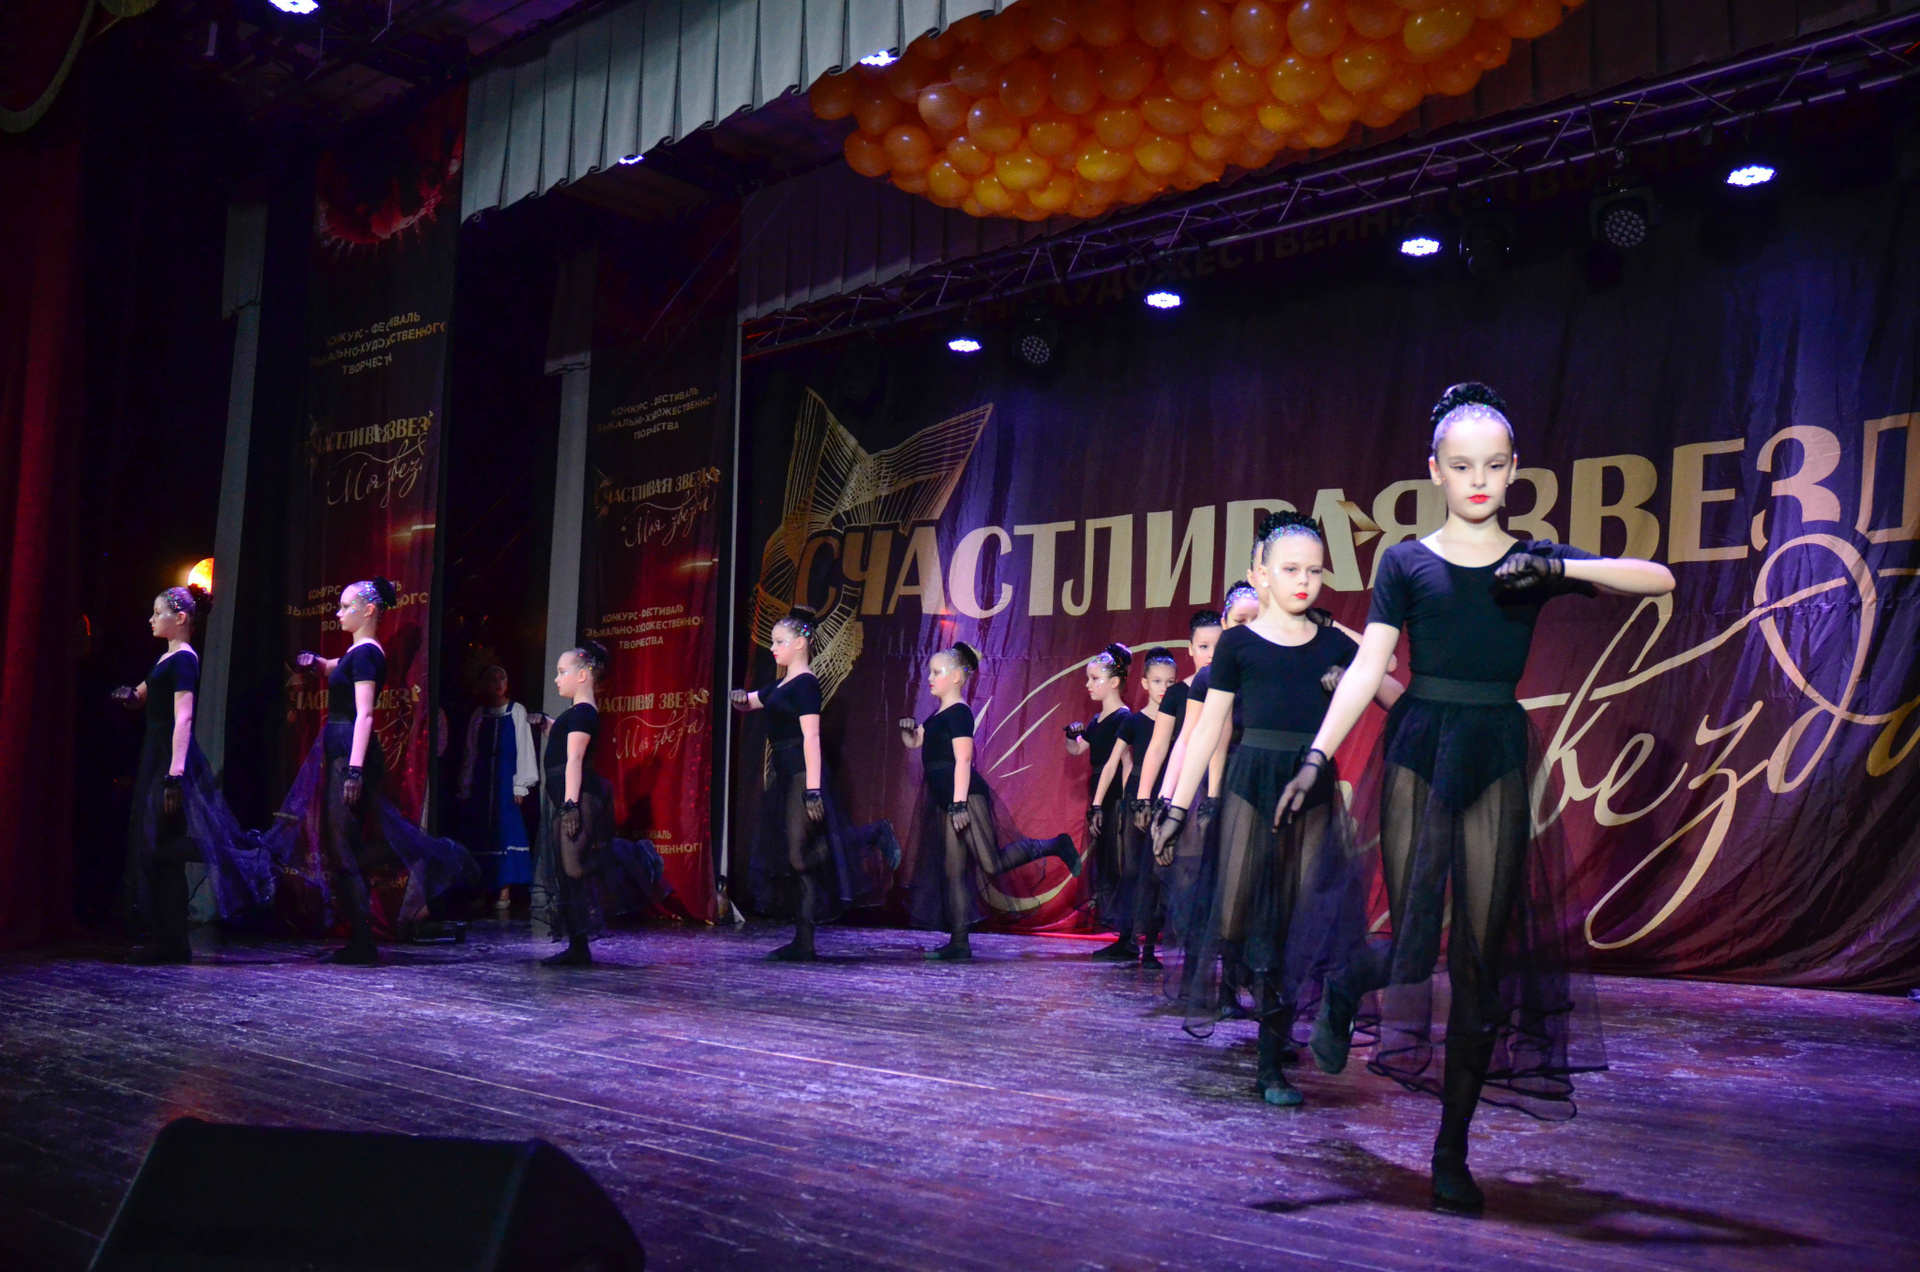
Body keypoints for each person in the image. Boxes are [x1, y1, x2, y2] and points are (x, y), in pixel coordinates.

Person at [1279, 383, 1674, 1210]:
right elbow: (1368, 664)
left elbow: (1658, 578)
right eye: (1462, 467)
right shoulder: (1406, 562)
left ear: (1514, 467)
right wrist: (1317, 754)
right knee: (1413, 942)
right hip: (1421, 744)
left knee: (1480, 961)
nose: (1479, 480)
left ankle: (1450, 1148)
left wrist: (1561, 566)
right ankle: (1347, 985)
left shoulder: (1531, 559)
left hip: (1495, 747)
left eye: (1494, 466)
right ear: (1435, 471)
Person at [1154, 513, 1403, 1106]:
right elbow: (1208, 729)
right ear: (1260, 574)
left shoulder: (1332, 642)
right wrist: (1175, 808)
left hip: (1310, 785)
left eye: (1315, 571)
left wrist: (1350, 670)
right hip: (1250, 783)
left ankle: (1272, 1064)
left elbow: (1393, 689)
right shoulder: (1237, 643)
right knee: (1241, 922)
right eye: (1290, 569)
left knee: (1299, 922)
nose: (1304, 581)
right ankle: (1271, 1036)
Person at [269, 578, 478, 964]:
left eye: (345, 606)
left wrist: (353, 770)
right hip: (342, 746)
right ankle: (364, 934)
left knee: (343, 849)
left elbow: (366, 714)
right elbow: (332, 668)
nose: (338, 613)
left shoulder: (367, 654)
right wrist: (315, 663)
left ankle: (368, 934)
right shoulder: (356, 653)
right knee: (344, 848)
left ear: (368, 611)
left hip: (351, 749)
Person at [112, 585, 274, 962]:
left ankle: (238, 852)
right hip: (156, 753)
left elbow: (184, 717)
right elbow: (141, 697)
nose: (151, 619)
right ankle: (171, 940)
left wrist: (175, 774)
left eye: (158, 613)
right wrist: (127, 696)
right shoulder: (165, 658)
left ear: (180, 618)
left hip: (172, 757)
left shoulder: (184, 658)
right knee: (159, 849)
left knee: (159, 846)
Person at [732, 605, 899, 961]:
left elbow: (811, 737)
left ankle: (872, 834)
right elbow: (750, 703)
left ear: (800, 643)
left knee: (799, 857)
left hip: (801, 774)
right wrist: (739, 699)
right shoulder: (780, 685)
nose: (773, 647)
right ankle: (804, 941)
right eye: (773, 641)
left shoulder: (806, 684)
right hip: (784, 775)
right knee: (797, 860)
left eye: (779, 641)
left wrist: (812, 790)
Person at [901, 642, 1082, 961]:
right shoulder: (938, 714)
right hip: (948, 799)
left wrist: (959, 804)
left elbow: (963, 759)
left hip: (965, 797)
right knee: (953, 870)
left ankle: (1056, 845)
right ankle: (959, 942)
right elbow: (916, 741)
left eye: (936, 672)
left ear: (956, 677)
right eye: (929, 672)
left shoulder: (960, 712)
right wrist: (907, 731)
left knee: (991, 863)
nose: (929, 677)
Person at [532, 641, 666, 967]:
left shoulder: (583, 713)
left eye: (562, 672)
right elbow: (564, 743)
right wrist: (547, 724)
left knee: (573, 867)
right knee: (566, 875)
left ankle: (635, 857)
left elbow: (575, 759)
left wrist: (570, 805)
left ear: (582, 676)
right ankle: (578, 946)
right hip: (567, 795)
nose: (556, 679)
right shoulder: (576, 714)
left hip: (579, 797)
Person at [1062, 643, 1135, 959]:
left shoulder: (1123, 717)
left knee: (1120, 864)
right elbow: (1077, 749)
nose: (1088, 685)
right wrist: (1071, 735)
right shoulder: (1097, 719)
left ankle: (1129, 938)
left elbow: (1126, 763)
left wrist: (1126, 804)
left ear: (1114, 682)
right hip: (1101, 797)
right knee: (1108, 864)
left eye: (1094, 679)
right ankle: (1123, 938)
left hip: (1115, 798)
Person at [1109, 648, 1180, 969]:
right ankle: (1127, 940)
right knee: (1132, 870)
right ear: (1145, 683)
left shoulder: (1179, 722)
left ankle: (1150, 947)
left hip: (1166, 795)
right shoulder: (1134, 720)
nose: (1163, 687)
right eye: (1157, 681)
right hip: (1136, 797)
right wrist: (1100, 803)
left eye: (1170, 681)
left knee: (1155, 873)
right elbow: (1117, 762)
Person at [458, 665, 537, 914]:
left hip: (506, 781)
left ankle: (504, 890)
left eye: (502, 678)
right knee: (482, 832)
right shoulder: (479, 714)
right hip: (483, 781)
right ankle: (482, 889)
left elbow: (524, 747)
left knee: (506, 832)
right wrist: (466, 784)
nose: (498, 683)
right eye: (492, 679)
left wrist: (521, 784)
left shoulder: (516, 711)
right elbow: (471, 751)